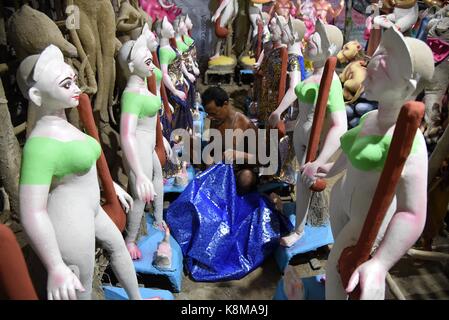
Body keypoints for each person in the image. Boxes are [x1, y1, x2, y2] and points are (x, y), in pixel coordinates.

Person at [201, 86, 260, 194]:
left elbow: (262, 159)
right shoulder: (216, 120)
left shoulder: (245, 125)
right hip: (222, 171)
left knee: (246, 177)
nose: (210, 117)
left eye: (214, 113)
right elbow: (211, 149)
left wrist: (238, 154)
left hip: (239, 172)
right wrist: (209, 165)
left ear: (225, 104)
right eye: (208, 114)